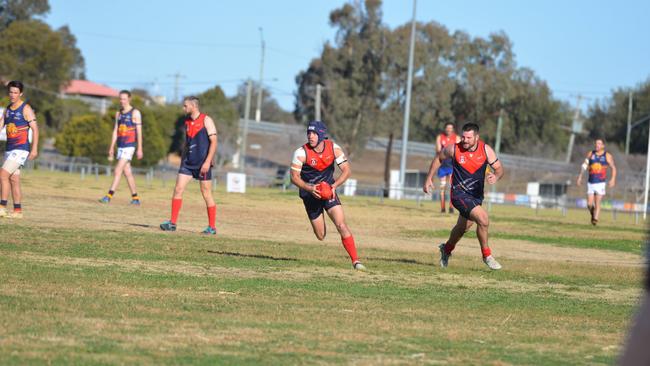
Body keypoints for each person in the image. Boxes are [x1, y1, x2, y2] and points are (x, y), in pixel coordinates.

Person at [423, 122, 504, 270]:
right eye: (463, 137)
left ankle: (446, 249)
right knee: (483, 220)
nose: (465, 140)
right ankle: (487, 255)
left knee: (462, 228)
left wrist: (496, 177)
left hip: (476, 196)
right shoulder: (454, 149)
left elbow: (499, 169)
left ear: (476, 138)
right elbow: (439, 158)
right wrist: (429, 178)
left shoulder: (486, 150)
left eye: (468, 138)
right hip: (459, 194)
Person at [290, 121, 366, 270]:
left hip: (329, 192)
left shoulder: (333, 148)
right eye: (308, 133)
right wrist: (309, 188)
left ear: (321, 135)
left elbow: (346, 170)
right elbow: (294, 177)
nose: (310, 136)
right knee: (320, 235)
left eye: (314, 133)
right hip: (309, 194)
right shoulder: (301, 153)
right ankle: (318, 221)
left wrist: (334, 186)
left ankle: (356, 261)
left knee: (341, 224)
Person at [160, 96, 218, 234]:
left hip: (202, 164)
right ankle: (172, 223)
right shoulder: (187, 122)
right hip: (187, 163)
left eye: (185, 106)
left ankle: (212, 227)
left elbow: (214, 142)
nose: (183, 108)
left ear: (193, 106)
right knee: (178, 189)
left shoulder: (206, 120)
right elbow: (187, 143)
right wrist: (183, 160)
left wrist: (207, 161)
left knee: (206, 193)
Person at [0, 81, 39, 218]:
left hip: (21, 149)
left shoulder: (26, 108)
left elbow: (35, 129)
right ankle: (17, 211)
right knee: (13, 180)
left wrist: (34, 149)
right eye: (11, 92)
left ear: (20, 94)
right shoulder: (8, 109)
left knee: (3, 175)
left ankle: (2, 207)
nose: (12, 95)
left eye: (15, 92)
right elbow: (1, 124)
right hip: (9, 149)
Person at [100, 90, 143, 204]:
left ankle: (108, 196)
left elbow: (139, 132)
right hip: (120, 145)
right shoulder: (118, 113)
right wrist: (111, 147)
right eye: (120, 99)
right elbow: (115, 130)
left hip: (129, 146)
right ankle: (135, 198)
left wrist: (139, 148)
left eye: (124, 99)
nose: (122, 101)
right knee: (127, 172)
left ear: (129, 99)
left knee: (117, 170)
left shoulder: (135, 113)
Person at [576, 138, 616, 226]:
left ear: (603, 146)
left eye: (599, 144)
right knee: (589, 204)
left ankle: (595, 220)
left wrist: (613, 179)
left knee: (597, 202)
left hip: (600, 183)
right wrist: (580, 176)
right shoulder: (591, 154)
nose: (596, 145)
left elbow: (613, 168)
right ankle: (593, 214)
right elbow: (584, 165)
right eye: (596, 143)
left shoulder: (607, 156)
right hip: (590, 182)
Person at [435, 122, 460, 214]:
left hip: (452, 165)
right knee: (442, 186)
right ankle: (442, 208)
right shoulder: (440, 137)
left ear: (452, 129)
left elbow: (458, 151)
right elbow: (438, 150)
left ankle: (451, 207)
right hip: (442, 164)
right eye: (447, 128)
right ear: (445, 129)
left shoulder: (456, 138)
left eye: (450, 128)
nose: (449, 129)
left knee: (451, 186)